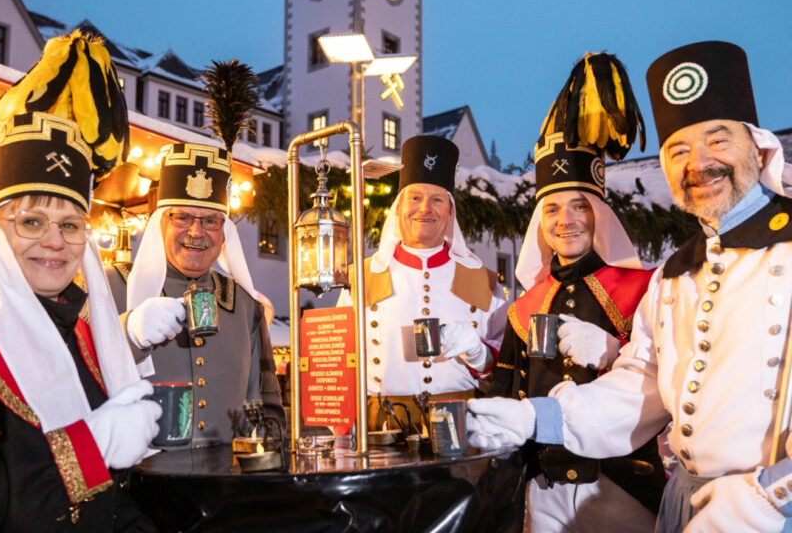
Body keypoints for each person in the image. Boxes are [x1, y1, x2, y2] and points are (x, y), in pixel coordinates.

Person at [468, 40, 792, 533]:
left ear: (759, 147)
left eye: (718, 140)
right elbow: (640, 383)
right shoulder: (674, 274)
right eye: (678, 150)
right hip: (683, 505)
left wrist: (769, 499)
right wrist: (539, 419)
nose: (698, 162)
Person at [487, 52, 665, 533]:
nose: (564, 220)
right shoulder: (524, 307)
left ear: (599, 215)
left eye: (579, 206)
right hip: (543, 486)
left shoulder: (644, 291)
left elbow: (673, 384)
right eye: (552, 210)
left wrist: (614, 352)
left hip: (621, 485)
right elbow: (506, 393)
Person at [0, 34, 160, 531]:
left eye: (70, 225)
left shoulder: (85, 336)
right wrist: (90, 447)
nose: (54, 241)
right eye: (31, 221)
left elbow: (115, 504)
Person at [106, 142, 284, 447]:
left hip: (227, 475)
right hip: (138, 476)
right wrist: (128, 332)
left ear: (225, 232)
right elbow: (76, 382)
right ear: (161, 223)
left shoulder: (245, 306)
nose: (196, 232)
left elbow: (268, 406)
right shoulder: (112, 287)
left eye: (211, 221)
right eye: (183, 217)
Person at [338, 134, 508, 431]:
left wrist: (479, 353)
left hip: (463, 428)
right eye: (415, 197)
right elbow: (336, 364)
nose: (425, 208)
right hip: (381, 430)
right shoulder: (360, 278)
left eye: (437, 199)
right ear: (398, 207)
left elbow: (505, 373)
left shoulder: (484, 280)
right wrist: (343, 433)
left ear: (450, 211)